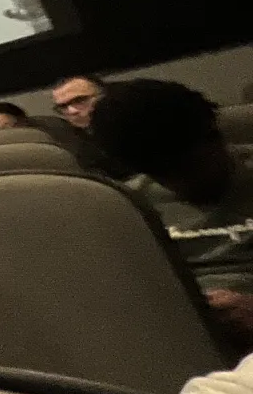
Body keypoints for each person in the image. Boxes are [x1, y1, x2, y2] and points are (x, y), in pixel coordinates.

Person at [91, 79, 253, 348]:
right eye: (162, 175)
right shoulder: (127, 203)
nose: (179, 184)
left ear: (215, 136)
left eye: (188, 167)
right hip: (174, 335)